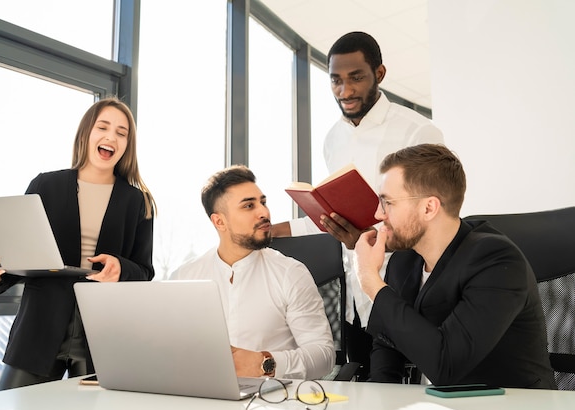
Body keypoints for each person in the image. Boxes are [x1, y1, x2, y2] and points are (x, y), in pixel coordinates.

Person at [272, 31, 444, 377]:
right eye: (336, 80)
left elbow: (433, 217)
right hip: (355, 295)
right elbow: (330, 215)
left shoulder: (417, 132)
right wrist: (275, 230)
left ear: (379, 74)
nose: (344, 91)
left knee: (401, 391)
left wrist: (369, 234)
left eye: (356, 78)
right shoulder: (333, 139)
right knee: (363, 389)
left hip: (404, 289)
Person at [0, 97, 156, 391]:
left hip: (102, 336)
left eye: (122, 133)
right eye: (103, 127)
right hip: (39, 329)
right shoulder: (45, 186)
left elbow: (144, 271)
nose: (111, 137)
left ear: (127, 145)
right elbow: (23, 256)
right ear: (86, 134)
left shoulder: (137, 202)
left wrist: (120, 268)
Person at [354, 143, 556, 389]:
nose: (378, 214)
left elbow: (446, 365)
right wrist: (382, 398)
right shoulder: (405, 259)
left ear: (429, 207)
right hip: (439, 406)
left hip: (512, 407)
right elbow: (386, 342)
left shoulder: (496, 261)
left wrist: (371, 281)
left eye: (388, 203)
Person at [170, 165, 335, 380]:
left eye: (263, 203)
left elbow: (324, 355)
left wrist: (265, 363)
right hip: (203, 397)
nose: (264, 213)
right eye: (249, 206)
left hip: (273, 402)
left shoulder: (290, 273)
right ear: (219, 221)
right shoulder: (184, 278)